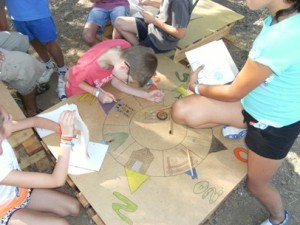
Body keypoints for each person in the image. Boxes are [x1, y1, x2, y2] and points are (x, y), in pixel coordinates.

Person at [171, 0, 300, 224]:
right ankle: (243, 126)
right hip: (251, 102)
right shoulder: (282, 17)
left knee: (256, 185)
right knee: (183, 110)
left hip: (272, 124)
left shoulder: (280, 38)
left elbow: (232, 93)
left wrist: (197, 87)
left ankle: (280, 218)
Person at [0, 105, 81, 225]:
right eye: (6, 119)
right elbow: (57, 180)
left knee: (75, 207)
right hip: (4, 209)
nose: (11, 118)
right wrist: (66, 139)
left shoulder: (5, 129)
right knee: (61, 224)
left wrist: (61, 129)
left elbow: (34, 121)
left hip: (19, 191)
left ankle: (30, 214)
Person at [4, 0, 69, 100]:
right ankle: (48, 65)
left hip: (38, 12)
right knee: (33, 40)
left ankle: (63, 69)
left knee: (49, 42)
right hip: (17, 15)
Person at [65, 39, 164, 103]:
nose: (125, 83)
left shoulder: (124, 48)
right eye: (127, 80)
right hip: (77, 92)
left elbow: (115, 82)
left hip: (99, 87)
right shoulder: (87, 67)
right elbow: (68, 76)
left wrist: (145, 95)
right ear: (123, 67)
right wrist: (97, 93)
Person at [113, 0, 193, 53]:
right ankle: (140, 48)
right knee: (118, 22)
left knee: (127, 53)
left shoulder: (180, 2)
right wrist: (150, 3)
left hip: (161, 41)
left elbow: (180, 33)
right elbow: (168, 8)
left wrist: (154, 20)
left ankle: (141, 50)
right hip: (154, 27)